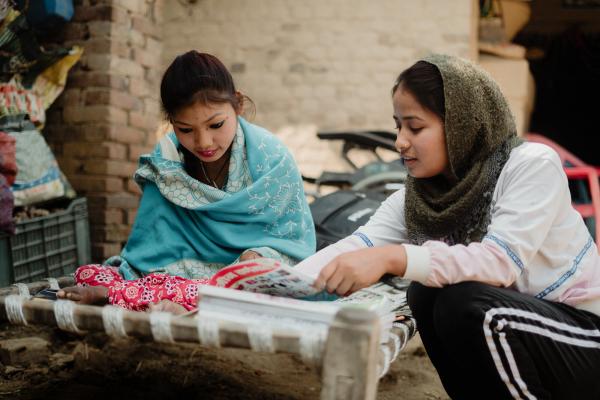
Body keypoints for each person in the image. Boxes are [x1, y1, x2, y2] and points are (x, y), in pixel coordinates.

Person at [294, 54, 600, 399]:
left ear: (461, 124)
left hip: (585, 336)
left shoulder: (530, 166)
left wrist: (395, 257)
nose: (400, 141)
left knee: (465, 303)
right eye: (398, 126)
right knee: (425, 295)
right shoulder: (421, 197)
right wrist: (276, 282)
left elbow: (499, 264)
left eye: (415, 127)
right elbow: (359, 244)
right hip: (523, 333)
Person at [58, 51, 316, 313]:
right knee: (91, 273)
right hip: (181, 272)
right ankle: (135, 294)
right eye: (186, 130)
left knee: (247, 281)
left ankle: (118, 296)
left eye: (215, 125)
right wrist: (153, 275)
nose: (203, 142)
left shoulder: (272, 157)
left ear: (237, 105)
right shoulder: (168, 158)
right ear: (171, 122)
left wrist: (257, 257)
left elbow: (293, 242)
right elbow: (152, 247)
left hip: (239, 276)